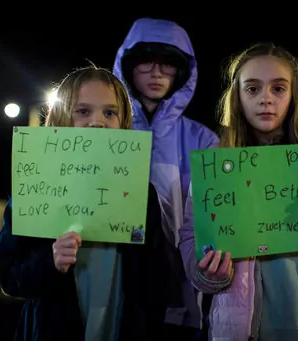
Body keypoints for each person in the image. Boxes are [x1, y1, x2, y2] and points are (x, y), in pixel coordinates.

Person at [178, 42, 298, 341]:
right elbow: (192, 241)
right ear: (238, 96)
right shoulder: (216, 166)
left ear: (294, 95)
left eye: (278, 88)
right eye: (253, 88)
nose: (266, 99)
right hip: (243, 328)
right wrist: (209, 271)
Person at [0, 65, 168, 340]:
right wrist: (49, 262)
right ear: (61, 118)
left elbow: (157, 282)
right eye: (83, 111)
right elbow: (5, 274)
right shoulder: (35, 187)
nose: (97, 122)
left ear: (123, 123)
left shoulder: (143, 194)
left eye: (109, 112)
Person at [113, 17, 219, 338]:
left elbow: (210, 223)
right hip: (113, 295)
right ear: (128, 66)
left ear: (182, 71)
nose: (157, 73)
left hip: (177, 300)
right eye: (146, 62)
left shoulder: (203, 142)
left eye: (168, 64)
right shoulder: (106, 133)